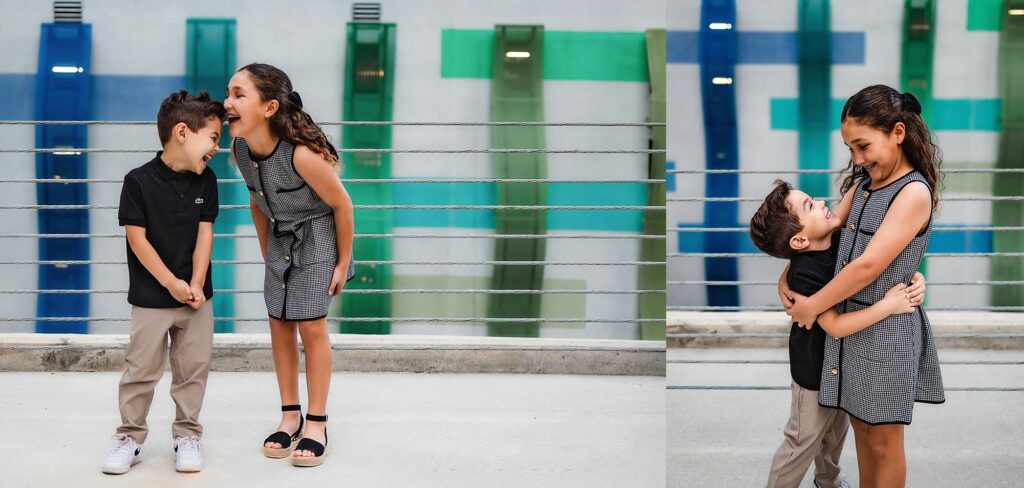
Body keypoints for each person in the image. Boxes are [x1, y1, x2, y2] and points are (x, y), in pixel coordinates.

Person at [785, 85, 946, 488]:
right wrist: (785, 280)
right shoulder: (862, 186)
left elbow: (868, 266)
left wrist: (810, 307)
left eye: (863, 146)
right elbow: (823, 238)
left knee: (884, 442)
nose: (857, 159)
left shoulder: (912, 192)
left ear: (897, 132)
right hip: (849, 327)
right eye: (850, 149)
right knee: (860, 430)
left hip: (886, 329)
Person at [750, 179, 926, 488]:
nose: (821, 203)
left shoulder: (840, 240)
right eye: (810, 206)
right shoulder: (804, 273)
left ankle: (827, 481)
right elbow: (833, 325)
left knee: (833, 435)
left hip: (842, 365)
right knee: (802, 441)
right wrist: (887, 306)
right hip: (814, 373)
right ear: (800, 242)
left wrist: (914, 278)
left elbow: (856, 208)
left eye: (813, 199)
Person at [225, 63, 355, 467]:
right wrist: (268, 253)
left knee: (311, 326)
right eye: (228, 92)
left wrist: (342, 263)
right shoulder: (240, 150)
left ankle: (316, 422)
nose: (226, 102)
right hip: (280, 239)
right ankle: (289, 415)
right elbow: (256, 200)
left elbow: (342, 205)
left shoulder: (301, 155)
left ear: (269, 107)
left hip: (319, 237)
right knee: (278, 323)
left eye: (238, 94)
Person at [103, 90, 225, 474]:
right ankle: (129, 436)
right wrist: (171, 283)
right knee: (140, 369)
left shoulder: (207, 182)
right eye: (214, 138)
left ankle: (187, 434)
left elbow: (205, 235)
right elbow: (137, 240)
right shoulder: (137, 181)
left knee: (193, 368)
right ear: (183, 133)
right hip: (152, 297)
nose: (217, 149)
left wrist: (196, 282)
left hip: (195, 298)